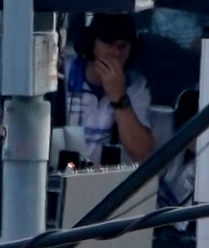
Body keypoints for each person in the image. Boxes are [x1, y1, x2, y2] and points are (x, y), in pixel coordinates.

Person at [60, 14, 154, 165]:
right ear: (90, 43)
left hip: (107, 184)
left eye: (123, 46)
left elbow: (142, 153)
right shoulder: (61, 76)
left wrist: (119, 97)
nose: (117, 53)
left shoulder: (135, 86)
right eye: (109, 43)